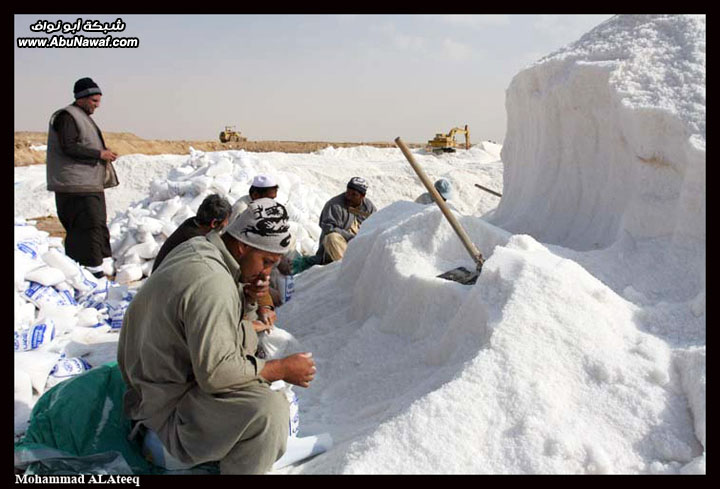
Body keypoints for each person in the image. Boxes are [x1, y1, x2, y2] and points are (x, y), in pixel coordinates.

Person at [117, 198, 316, 475]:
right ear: (243, 246)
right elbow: (217, 374)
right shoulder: (214, 283)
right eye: (266, 261)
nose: (267, 273)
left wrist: (248, 300)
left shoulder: (201, 248)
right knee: (270, 411)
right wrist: (280, 370)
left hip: (150, 388)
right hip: (166, 412)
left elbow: (233, 341)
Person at [45, 77, 119, 278]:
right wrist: (99, 154)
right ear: (81, 98)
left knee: (97, 224)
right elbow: (68, 146)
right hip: (74, 186)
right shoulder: (66, 117)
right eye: (94, 101)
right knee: (86, 227)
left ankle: (98, 267)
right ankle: (90, 272)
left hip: (87, 185)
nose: (97, 105)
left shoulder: (81, 116)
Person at [152, 194, 232, 272]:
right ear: (214, 223)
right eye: (226, 220)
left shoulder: (193, 224)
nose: (227, 223)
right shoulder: (194, 241)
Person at [309, 177, 376, 266]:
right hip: (338, 249)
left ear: (362, 196)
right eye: (348, 192)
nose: (349, 197)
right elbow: (329, 228)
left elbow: (377, 224)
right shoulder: (334, 205)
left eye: (354, 195)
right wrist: (352, 238)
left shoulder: (368, 207)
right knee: (332, 237)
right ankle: (346, 268)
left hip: (359, 247)